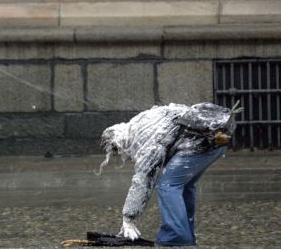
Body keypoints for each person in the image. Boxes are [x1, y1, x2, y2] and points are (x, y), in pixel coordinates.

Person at [99, 102, 239, 246]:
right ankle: (186, 233)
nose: (123, 155)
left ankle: (176, 235)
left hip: (199, 145)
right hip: (217, 140)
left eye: (119, 151)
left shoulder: (143, 138)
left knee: (168, 185)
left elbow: (144, 180)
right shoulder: (141, 120)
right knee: (185, 185)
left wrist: (129, 218)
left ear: (119, 142)